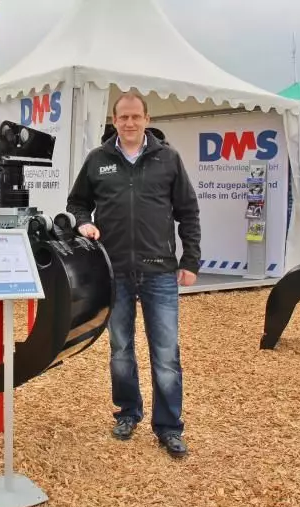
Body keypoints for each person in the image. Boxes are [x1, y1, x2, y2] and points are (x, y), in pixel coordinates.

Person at [65, 91, 201, 458]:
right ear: (114, 120)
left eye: (135, 117)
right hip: (114, 272)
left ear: (147, 118)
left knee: (166, 353)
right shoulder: (98, 160)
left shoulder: (168, 159)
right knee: (121, 350)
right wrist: (82, 223)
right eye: (122, 117)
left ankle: (169, 427)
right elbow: (77, 203)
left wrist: (191, 261)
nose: (129, 123)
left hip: (159, 272)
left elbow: (188, 212)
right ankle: (128, 412)